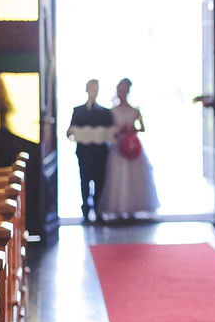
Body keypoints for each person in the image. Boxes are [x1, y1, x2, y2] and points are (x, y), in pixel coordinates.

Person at [98, 78, 160, 220]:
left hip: (132, 146)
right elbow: (109, 131)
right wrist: (119, 130)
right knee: (118, 175)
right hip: (118, 147)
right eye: (120, 90)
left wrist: (132, 129)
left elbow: (142, 128)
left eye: (124, 90)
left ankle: (133, 208)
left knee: (134, 176)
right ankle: (119, 208)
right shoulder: (112, 111)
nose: (122, 93)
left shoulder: (135, 110)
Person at [65, 78, 114, 221]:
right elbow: (70, 131)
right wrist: (74, 134)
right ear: (87, 90)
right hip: (84, 152)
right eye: (91, 88)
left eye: (96, 89)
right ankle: (85, 210)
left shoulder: (105, 112)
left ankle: (98, 209)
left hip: (100, 152)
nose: (94, 92)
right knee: (84, 181)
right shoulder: (78, 111)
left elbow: (111, 131)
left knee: (99, 181)